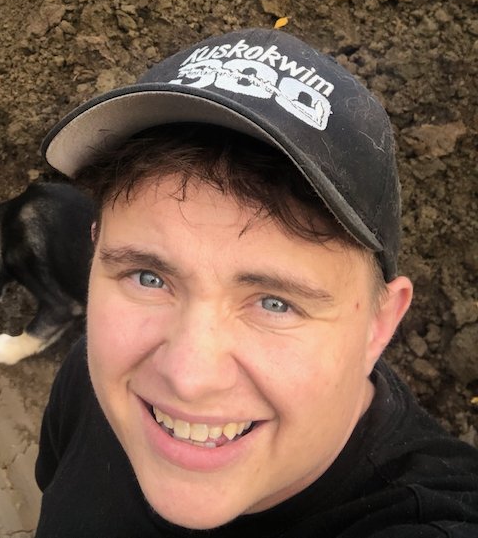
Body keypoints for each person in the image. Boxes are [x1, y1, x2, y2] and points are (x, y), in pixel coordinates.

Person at [34, 27, 478, 536]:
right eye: (148, 277)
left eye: (274, 302)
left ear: (380, 324)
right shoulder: (91, 382)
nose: (187, 379)